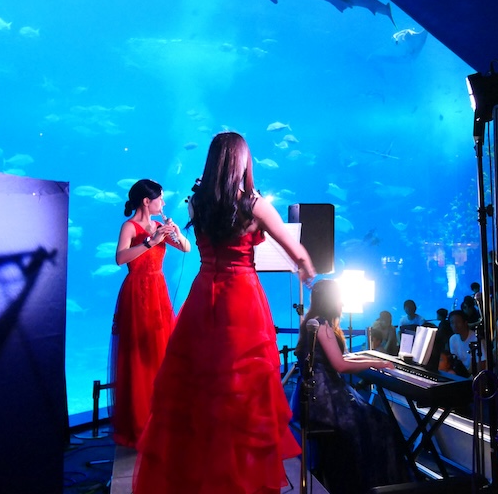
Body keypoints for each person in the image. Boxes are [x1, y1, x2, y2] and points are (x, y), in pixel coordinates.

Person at [133, 132, 316, 494]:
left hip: (203, 297)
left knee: (197, 386)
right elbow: (294, 249)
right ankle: (236, 477)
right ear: (243, 161)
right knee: (241, 390)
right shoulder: (254, 204)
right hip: (241, 300)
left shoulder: (195, 204)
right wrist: (308, 272)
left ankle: (196, 476)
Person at [295, 280, 410, 493]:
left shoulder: (314, 321)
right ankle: (377, 484)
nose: (341, 302)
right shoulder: (322, 325)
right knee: (381, 424)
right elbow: (340, 365)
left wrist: (373, 360)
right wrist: (377, 363)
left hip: (320, 393)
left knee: (376, 420)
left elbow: (342, 358)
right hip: (326, 399)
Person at [109, 179, 190, 448]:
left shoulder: (158, 225)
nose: (163, 203)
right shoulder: (129, 226)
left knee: (162, 351)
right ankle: (140, 420)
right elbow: (120, 258)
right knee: (137, 355)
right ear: (147, 201)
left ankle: (163, 417)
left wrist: (174, 232)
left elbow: (186, 248)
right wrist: (150, 242)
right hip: (136, 292)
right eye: (160, 198)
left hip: (158, 290)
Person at [443, 310, 486, 377]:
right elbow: (455, 360)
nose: (455, 325)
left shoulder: (477, 339)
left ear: (465, 323)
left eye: (458, 322)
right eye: (452, 323)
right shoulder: (453, 339)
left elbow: (483, 363)